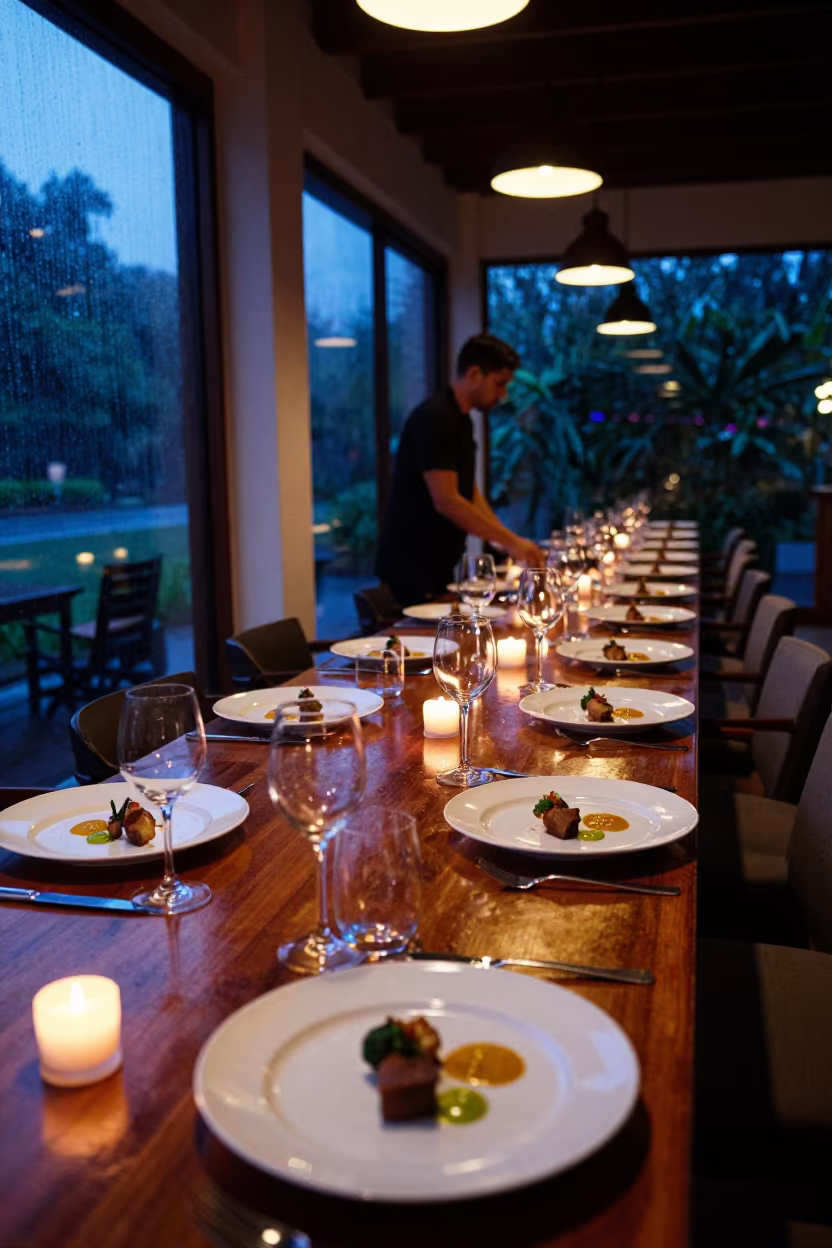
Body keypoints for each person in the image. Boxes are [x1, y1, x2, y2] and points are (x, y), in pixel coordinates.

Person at [376, 333, 543, 606]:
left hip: (435, 567)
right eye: (499, 384)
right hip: (410, 568)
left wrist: (506, 540)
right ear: (474, 373)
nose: (503, 395)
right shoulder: (436, 418)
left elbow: (469, 494)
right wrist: (512, 542)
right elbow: (448, 501)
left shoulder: (461, 421)